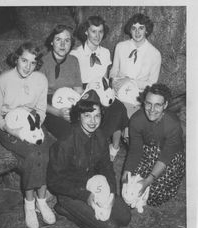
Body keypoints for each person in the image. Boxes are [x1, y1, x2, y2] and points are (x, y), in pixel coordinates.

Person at [47, 90, 131, 228]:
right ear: (79, 117)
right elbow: (54, 182)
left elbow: (107, 167)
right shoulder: (66, 142)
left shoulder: (100, 136)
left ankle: (82, 209)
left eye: (97, 115)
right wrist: (86, 196)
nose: (93, 121)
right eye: (87, 115)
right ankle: (65, 208)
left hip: (95, 185)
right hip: (71, 192)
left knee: (125, 217)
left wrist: (110, 193)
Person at [0, 42, 56, 228]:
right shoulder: (2, 80)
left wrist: (35, 124)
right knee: (33, 154)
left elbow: (41, 110)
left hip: (32, 122)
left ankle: (41, 201)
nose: (28, 67)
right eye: (24, 60)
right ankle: (30, 204)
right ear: (16, 58)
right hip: (9, 125)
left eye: (33, 63)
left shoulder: (40, 80)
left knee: (47, 151)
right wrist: (9, 129)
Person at [71, 15, 129, 161]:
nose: (97, 36)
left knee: (119, 108)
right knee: (94, 110)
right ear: (86, 32)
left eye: (101, 32)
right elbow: (74, 84)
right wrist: (88, 89)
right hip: (84, 92)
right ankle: (95, 147)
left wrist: (109, 90)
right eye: (93, 31)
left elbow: (105, 77)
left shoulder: (105, 52)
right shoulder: (75, 54)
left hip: (101, 91)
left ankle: (113, 148)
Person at [122, 83, 185, 206]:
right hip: (149, 149)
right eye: (148, 103)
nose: (152, 109)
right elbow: (135, 151)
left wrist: (148, 181)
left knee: (154, 192)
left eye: (158, 105)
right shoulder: (136, 120)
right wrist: (125, 177)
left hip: (171, 155)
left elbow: (166, 156)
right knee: (133, 180)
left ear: (165, 105)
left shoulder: (173, 125)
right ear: (144, 102)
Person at [110, 13, 162, 118]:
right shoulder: (120, 47)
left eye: (141, 28)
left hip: (137, 97)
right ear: (130, 30)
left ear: (146, 30)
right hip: (117, 92)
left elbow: (151, 84)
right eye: (134, 28)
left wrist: (130, 81)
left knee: (127, 116)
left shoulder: (155, 54)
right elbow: (114, 70)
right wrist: (113, 81)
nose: (137, 32)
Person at [40, 24, 84, 140]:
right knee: (69, 134)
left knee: (85, 129)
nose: (63, 44)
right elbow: (36, 99)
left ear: (71, 44)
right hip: (49, 107)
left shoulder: (74, 61)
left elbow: (78, 91)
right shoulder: (42, 62)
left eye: (67, 40)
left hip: (70, 102)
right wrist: (57, 112)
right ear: (51, 42)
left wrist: (79, 110)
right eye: (58, 39)